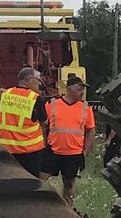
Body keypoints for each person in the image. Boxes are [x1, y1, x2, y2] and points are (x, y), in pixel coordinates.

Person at [41, 76, 96, 205]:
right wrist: (43, 144)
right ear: (69, 89)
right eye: (79, 89)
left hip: (74, 154)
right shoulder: (52, 104)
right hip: (53, 150)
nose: (82, 92)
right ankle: (41, 205)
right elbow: (43, 125)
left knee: (69, 183)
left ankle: (68, 209)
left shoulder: (85, 108)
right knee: (41, 179)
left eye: (83, 89)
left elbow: (91, 131)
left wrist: (85, 152)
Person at [0, 66, 47, 175]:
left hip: (6, 149)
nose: (39, 84)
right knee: (31, 184)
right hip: (29, 151)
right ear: (29, 80)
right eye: (38, 80)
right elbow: (44, 122)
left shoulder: (6, 94)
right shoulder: (35, 98)